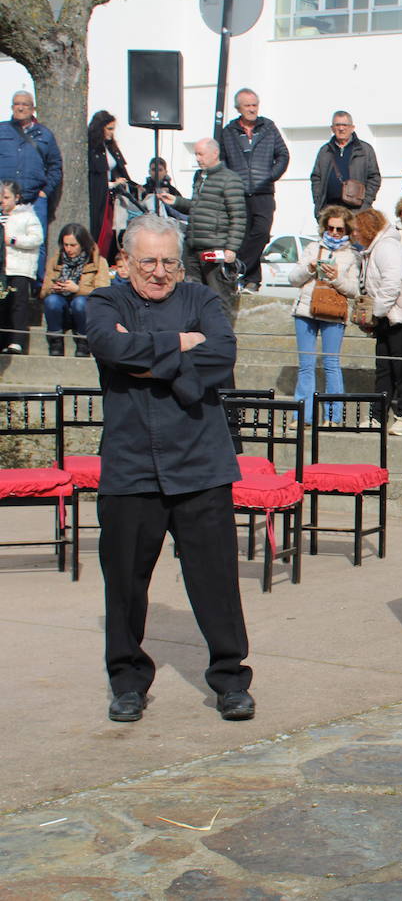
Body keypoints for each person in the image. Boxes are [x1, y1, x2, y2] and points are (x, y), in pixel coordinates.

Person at [85, 214, 254, 724]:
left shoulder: (201, 299)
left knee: (216, 580)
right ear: (125, 262)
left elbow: (222, 356)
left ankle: (230, 681)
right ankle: (128, 682)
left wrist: (146, 360)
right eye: (148, 262)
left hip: (200, 462)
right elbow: (109, 346)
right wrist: (182, 345)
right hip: (131, 465)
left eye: (168, 262)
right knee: (125, 582)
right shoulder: (105, 302)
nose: (159, 272)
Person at [287, 206, 360, 426]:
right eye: (331, 227)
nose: (335, 232)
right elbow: (293, 278)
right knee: (306, 365)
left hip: (334, 312)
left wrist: (336, 278)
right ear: (324, 227)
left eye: (340, 228)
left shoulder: (352, 255)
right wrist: (310, 268)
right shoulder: (312, 247)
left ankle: (333, 416)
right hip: (306, 310)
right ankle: (302, 416)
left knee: (331, 363)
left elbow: (355, 291)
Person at [353, 208, 402, 436]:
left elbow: (392, 284)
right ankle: (377, 415)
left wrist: (376, 312)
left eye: (357, 230)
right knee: (383, 369)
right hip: (387, 318)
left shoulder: (387, 248)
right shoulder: (374, 249)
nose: (354, 235)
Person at [161, 138, 247, 315]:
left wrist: (231, 248)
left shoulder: (230, 180)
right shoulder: (200, 176)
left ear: (215, 153)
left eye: (201, 154)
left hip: (215, 247)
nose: (197, 159)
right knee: (193, 296)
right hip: (193, 246)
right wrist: (176, 202)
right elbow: (198, 207)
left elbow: (238, 216)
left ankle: (221, 338)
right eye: (196, 154)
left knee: (219, 298)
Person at [220, 89, 288, 292]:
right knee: (243, 235)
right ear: (238, 108)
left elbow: (283, 155)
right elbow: (222, 159)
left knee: (261, 232)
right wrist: (230, 182)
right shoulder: (228, 131)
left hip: (263, 191)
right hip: (238, 193)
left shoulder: (268, 127)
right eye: (247, 105)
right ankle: (252, 280)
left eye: (254, 105)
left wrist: (270, 175)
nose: (252, 109)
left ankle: (238, 266)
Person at [0, 91, 62, 283]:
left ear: (32, 108)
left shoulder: (44, 134)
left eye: (25, 104)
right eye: (16, 104)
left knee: (37, 241)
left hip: (34, 198)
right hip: (4, 199)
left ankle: (35, 285)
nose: (20, 108)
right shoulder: (2, 130)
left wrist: (45, 192)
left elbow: (55, 165)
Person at [41, 223, 109, 357]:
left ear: (83, 244)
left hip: (84, 310)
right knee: (51, 301)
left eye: (73, 245)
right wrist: (54, 288)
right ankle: (56, 342)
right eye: (65, 245)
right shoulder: (56, 261)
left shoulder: (98, 262)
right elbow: (44, 291)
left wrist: (77, 289)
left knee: (80, 303)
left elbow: (103, 292)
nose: (68, 249)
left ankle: (83, 343)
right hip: (61, 307)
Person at [309, 110, 381, 216]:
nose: (341, 128)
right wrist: (318, 202)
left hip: (357, 211)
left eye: (344, 125)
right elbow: (316, 178)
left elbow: (374, 178)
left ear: (352, 128)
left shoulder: (365, 150)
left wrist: (365, 203)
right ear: (332, 128)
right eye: (337, 125)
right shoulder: (324, 151)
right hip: (329, 210)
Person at [0, 179, 43, 353]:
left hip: (20, 268)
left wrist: (13, 241)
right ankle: (3, 340)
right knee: (4, 304)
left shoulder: (27, 216)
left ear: (17, 197)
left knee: (19, 304)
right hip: (3, 269)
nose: (3, 201)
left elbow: (36, 239)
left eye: (6, 197)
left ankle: (17, 341)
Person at [87, 110, 133, 261]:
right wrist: (112, 184)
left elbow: (120, 169)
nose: (112, 133)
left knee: (110, 232)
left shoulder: (110, 147)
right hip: (101, 195)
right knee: (102, 231)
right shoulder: (93, 148)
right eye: (109, 129)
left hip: (111, 196)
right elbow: (94, 177)